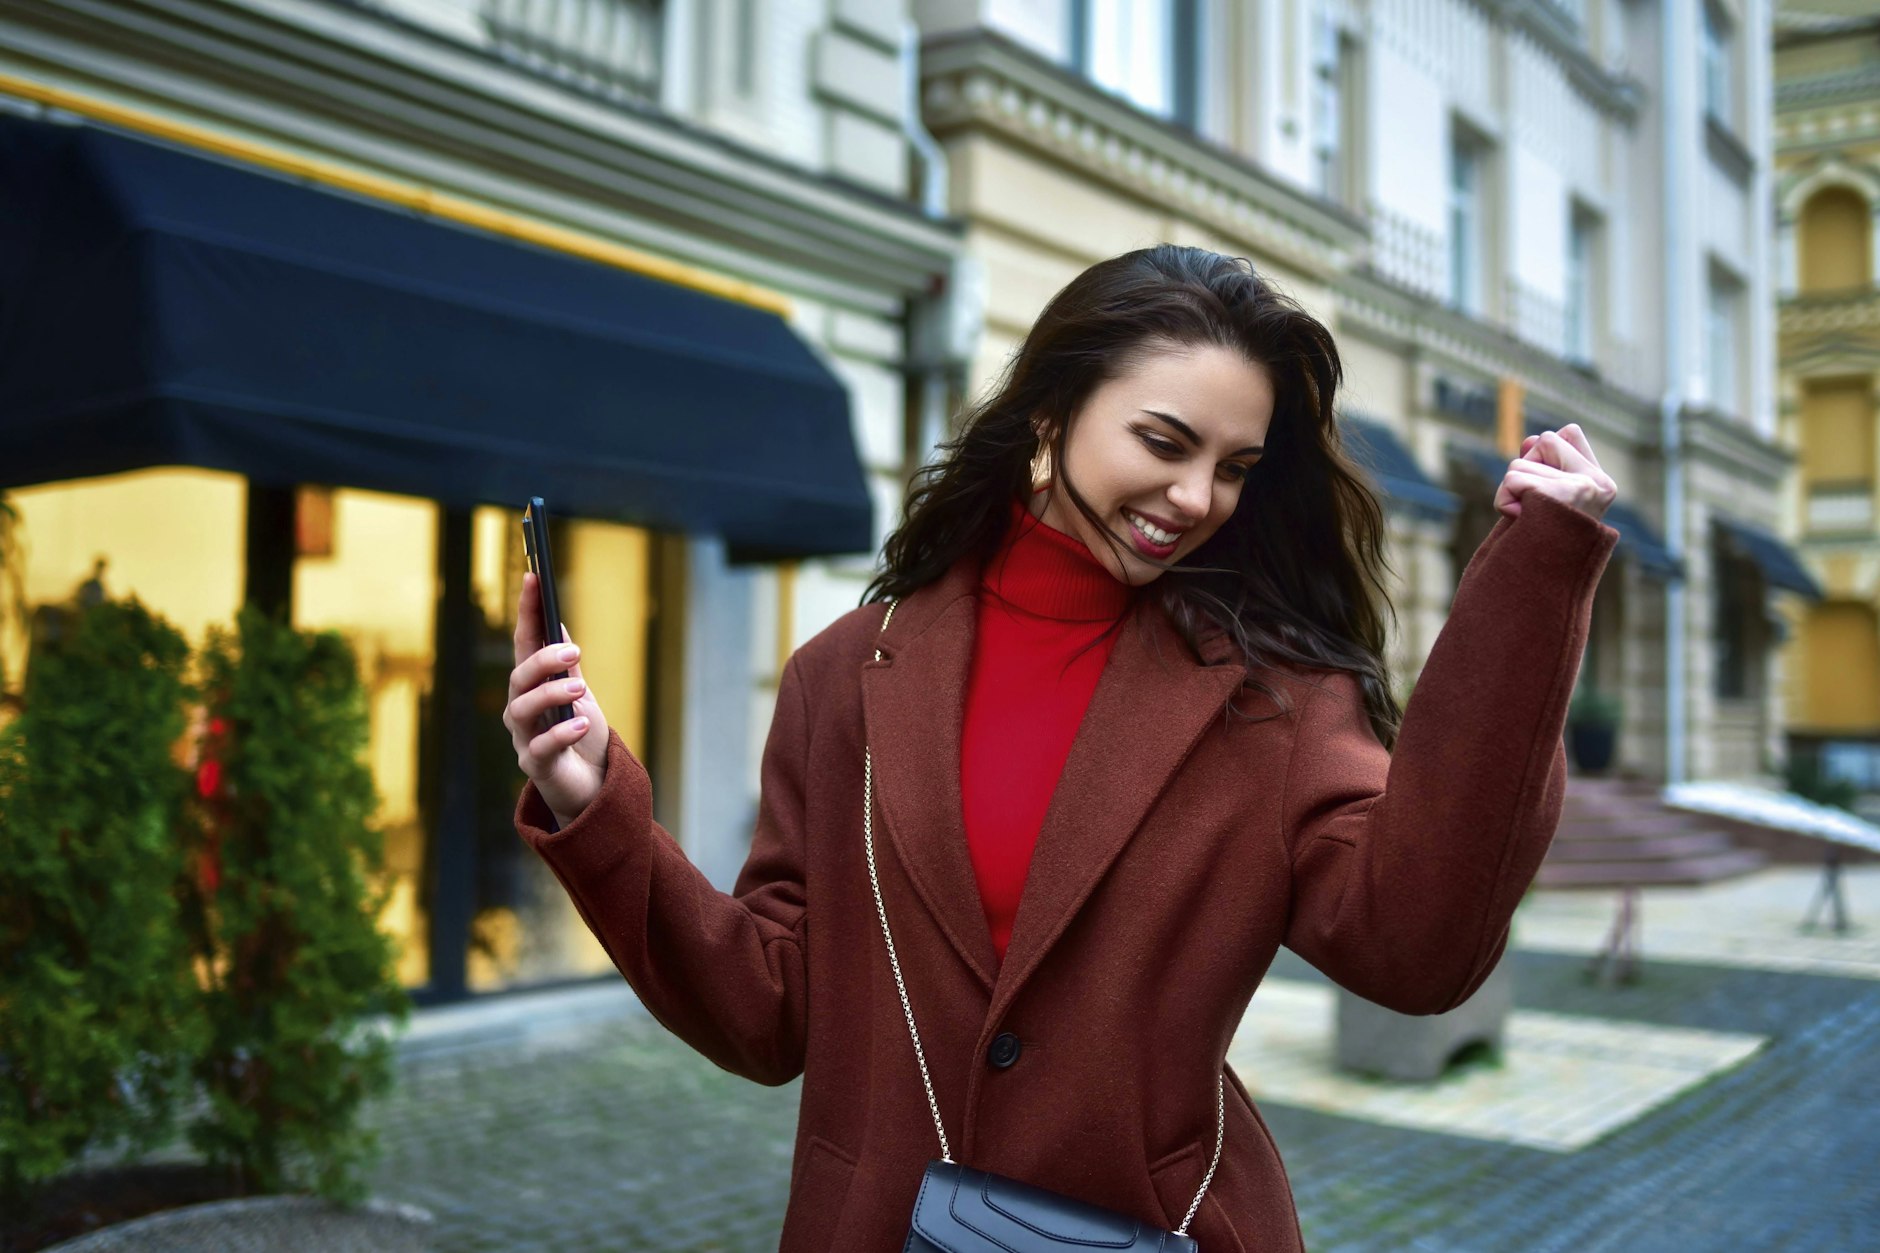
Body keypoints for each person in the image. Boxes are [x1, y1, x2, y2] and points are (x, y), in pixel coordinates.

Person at [505, 245, 1619, 1251]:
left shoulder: (1275, 698)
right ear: (1048, 418)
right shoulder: (842, 675)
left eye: (1235, 465)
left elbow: (1417, 949)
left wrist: (1531, 591)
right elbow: (767, 1010)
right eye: (1163, 441)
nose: (1197, 497)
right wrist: (592, 802)